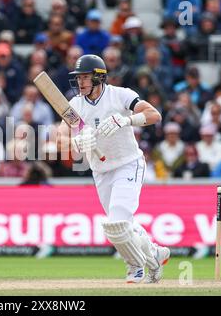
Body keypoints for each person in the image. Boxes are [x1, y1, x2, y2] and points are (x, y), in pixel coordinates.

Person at [59, 54, 170, 283]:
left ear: (99, 77)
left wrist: (127, 120)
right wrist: (75, 142)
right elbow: (61, 135)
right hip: (101, 171)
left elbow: (154, 115)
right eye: (78, 77)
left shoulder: (121, 95)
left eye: (85, 77)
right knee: (122, 226)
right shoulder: (75, 105)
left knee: (116, 222)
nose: (80, 82)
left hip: (128, 164)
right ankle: (155, 255)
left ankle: (135, 267)